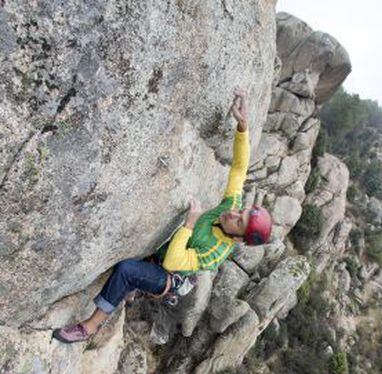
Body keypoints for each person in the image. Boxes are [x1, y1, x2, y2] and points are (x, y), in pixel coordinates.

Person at [53, 88, 272, 344]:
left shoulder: (216, 251)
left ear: (238, 240)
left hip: (168, 277)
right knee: (140, 261)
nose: (233, 213)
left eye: (239, 221)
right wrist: (243, 126)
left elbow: (173, 261)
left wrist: (189, 224)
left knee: (126, 271)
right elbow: (239, 169)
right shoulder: (229, 208)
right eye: (240, 211)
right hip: (160, 255)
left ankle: (90, 327)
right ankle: (130, 290)